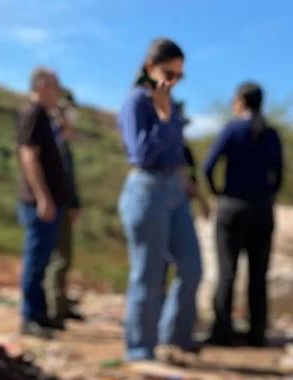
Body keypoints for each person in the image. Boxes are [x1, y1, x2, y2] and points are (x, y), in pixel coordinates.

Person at [117, 38, 202, 361]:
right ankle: (140, 349)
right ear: (150, 68)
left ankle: (176, 337)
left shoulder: (171, 104)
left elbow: (178, 152)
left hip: (175, 190)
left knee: (191, 266)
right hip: (146, 190)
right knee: (149, 274)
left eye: (179, 76)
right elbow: (142, 153)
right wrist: (164, 119)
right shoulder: (136, 102)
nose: (172, 82)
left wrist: (189, 181)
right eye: (168, 73)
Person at [203, 82, 283, 347]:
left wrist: (218, 193)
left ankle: (222, 331)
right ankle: (256, 333)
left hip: (232, 207)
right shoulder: (271, 134)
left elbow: (208, 166)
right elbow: (279, 175)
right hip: (261, 209)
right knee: (258, 275)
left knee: (227, 271)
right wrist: (267, 196)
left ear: (240, 101)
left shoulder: (232, 129)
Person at [16, 67, 69, 338]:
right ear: (41, 86)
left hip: (51, 202)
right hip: (38, 202)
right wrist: (42, 196)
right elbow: (29, 156)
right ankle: (29, 316)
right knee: (35, 259)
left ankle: (39, 313)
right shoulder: (33, 113)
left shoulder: (46, 117)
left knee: (44, 258)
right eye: (55, 86)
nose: (58, 92)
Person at [46, 96, 83, 324]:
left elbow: (70, 180)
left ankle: (61, 305)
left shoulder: (63, 143)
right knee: (58, 259)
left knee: (65, 258)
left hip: (65, 207)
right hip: (56, 207)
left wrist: (74, 204)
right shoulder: (54, 141)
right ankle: (54, 308)